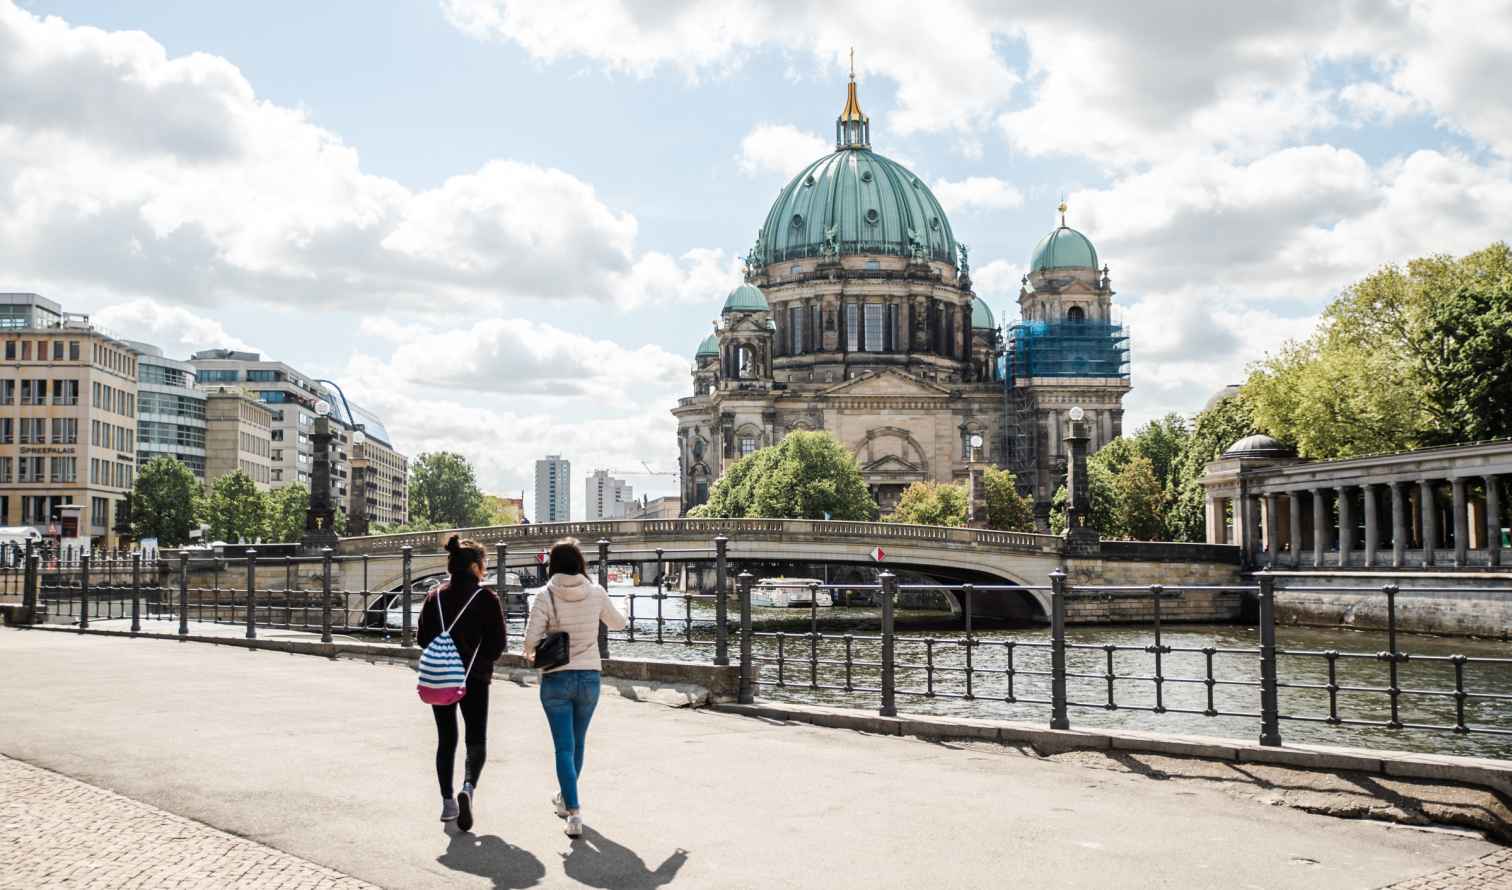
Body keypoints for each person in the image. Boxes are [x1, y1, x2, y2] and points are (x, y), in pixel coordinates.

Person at [522, 537, 628, 838]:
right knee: (578, 743)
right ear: (580, 563)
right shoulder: (596, 592)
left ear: (552, 565)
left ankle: (574, 811)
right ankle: (566, 801)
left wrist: (539, 644)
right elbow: (618, 623)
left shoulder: (545, 595)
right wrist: (620, 606)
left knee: (563, 748)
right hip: (589, 677)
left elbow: (530, 641)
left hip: (556, 677)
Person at [418, 535, 505, 832]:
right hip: (475, 678)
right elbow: (497, 644)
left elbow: (421, 639)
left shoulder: (434, 596)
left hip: (440, 677)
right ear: (473, 566)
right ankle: (467, 788)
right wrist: (478, 662)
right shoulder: (487, 599)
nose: (485, 570)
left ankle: (447, 802)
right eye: (484, 565)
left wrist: (444, 656)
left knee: (446, 739)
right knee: (475, 739)